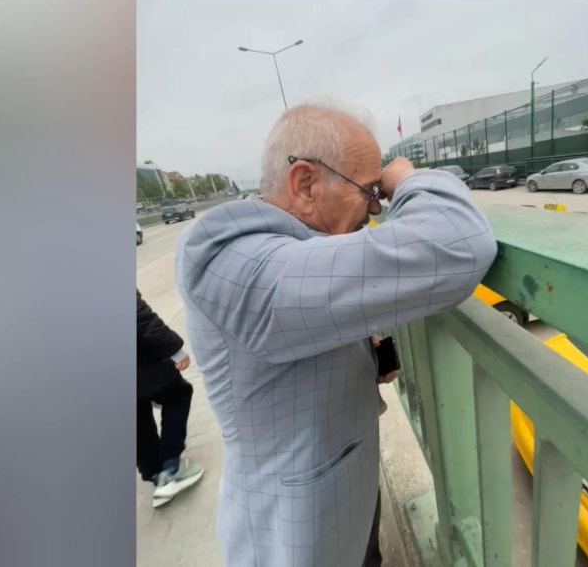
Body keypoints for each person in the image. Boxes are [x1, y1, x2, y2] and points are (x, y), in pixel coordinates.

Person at [175, 104, 497, 566]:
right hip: (297, 537)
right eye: (368, 191)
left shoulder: (290, 250)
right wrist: (409, 180)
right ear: (306, 184)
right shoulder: (237, 263)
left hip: (343, 506)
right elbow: (459, 243)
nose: (375, 207)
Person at [136, 289, 204, 508]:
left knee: (136, 421)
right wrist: (174, 350)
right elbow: (139, 317)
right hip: (140, 363)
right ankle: (171, 469)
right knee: (177, 395)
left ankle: (156, 475)